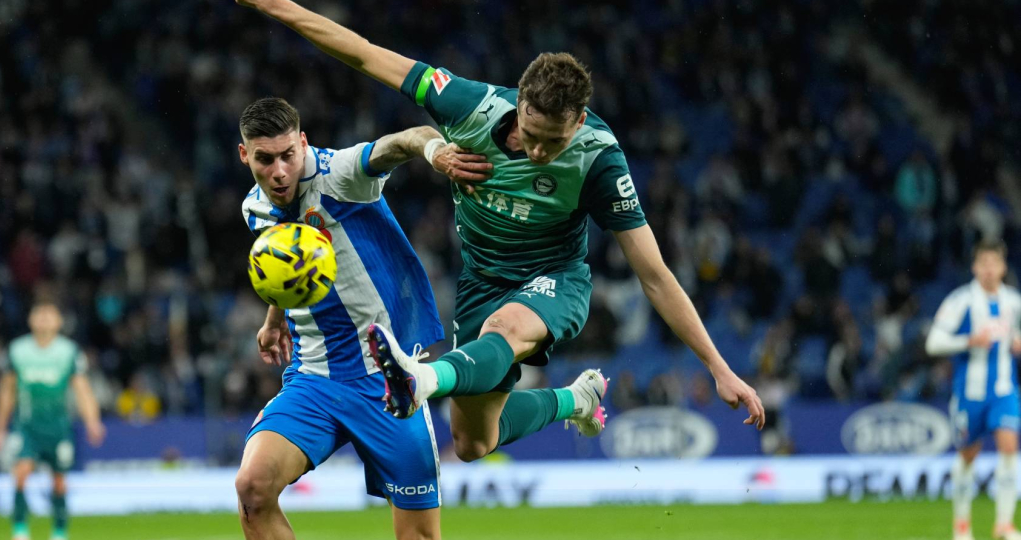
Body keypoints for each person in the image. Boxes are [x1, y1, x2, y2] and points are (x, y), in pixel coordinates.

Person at [238, 0, 765, 468]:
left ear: (578, 122)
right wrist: (275, 5)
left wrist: (719, 368)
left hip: (555, 279)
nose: (537, 151)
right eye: (530, 135)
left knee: (505, 327)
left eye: (552, 143)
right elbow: (363, 52)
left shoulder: (600, 160)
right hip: (482, 279)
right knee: (471, 442)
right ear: (520, 105)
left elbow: (654, 276)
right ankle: (576, 401)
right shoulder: (467, 105)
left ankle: (420, 379)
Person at [235, 97, 544, 540]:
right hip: (315, 380)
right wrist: (275, 316)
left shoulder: (339, 172)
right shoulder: (254, 209)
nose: (277, 172)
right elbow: (288, 267)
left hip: (390, 383)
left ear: (302, 143)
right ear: (244, 156)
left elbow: (404, 140)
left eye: (285, 156)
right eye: (263, 160)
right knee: (253, 486)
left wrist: (434, 151)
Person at [0, 302, 106, 540]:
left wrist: (92, 421)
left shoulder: (68, 352)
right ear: (31, 321)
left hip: (58, 427)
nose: (43, 319)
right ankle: (20, 538)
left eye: (48, 315)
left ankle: (59, 539)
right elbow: (7, 391)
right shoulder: (18, 351)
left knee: (59, 482)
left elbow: (82, 389)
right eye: (38, 314)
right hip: (27, 426)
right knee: (20, 474)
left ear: (58, 322)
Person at [926, 241, 1021, 540]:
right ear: (975, 268)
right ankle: (962, 523)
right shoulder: (961, 300)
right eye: (984, 263)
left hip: (1004, 390)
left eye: (995, 263)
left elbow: (1016, 335)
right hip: (969, 393)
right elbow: (933, 342)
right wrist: (969, 340)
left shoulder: (1014, 302)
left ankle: (1004, 524)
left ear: (1003, 268)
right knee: (968, 455)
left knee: (1009, 445)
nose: (990, 269)